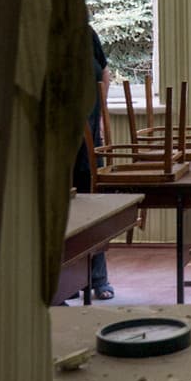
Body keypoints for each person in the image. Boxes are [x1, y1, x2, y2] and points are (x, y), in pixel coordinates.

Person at [72, 23, 114, 300]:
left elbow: (105, 72)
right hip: (60, 143)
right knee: (65, 212)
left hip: (89, 140)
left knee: (91, 206)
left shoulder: (86, 33)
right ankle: (65, 282)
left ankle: (97, 279)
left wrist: (101, 111)